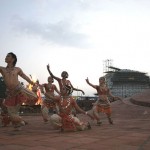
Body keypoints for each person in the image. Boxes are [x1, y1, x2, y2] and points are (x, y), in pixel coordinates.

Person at [0, 52, 37, 130]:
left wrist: (32, 83)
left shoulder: (17, 69)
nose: (6, 57)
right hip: (10, 93)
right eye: (6, 56)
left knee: (34, 96)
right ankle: (19, 122)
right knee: (12, 113)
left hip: (20, 89)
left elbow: (24, 76)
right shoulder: (2, 69)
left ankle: (18, 121)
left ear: (13, 59)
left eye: (8, 56)